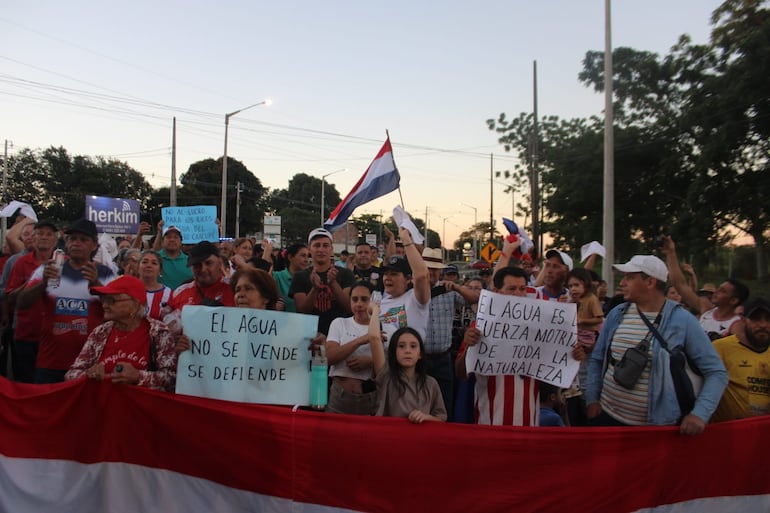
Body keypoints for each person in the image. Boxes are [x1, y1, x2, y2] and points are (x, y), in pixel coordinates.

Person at [585, 255, 728, 435]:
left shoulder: (683, 321)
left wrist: (699, 414)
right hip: (607, 418)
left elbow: (716, 372)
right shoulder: (617, 314)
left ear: (650, 282)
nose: (622, 283)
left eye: (629, 277)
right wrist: (592, 399)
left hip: (656, 429)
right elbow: (597, 359)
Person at [17, 218, 116, 383]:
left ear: (94, 245)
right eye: (72, 239)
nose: (76, 243)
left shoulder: (105, 273)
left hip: (90, 363)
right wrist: (43, 284)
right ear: (66, 242)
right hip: (50, 362)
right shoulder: (49, 268)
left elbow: (118, 307)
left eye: (83, 240)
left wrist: (96, 285)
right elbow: (22, 303)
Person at [455, 266, 540, 426]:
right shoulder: (479, 326)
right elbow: (461, 374)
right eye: (511, 289)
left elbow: (553, 372)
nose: (518, 294)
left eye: (522, 289)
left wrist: (572, 355)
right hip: (489, 422)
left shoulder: (538, 328)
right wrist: (468, 347)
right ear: (497, 291)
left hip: (529, 423)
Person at [65, 275, 177, 391]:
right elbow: (71, 374)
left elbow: (171, 378)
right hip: (103, 405)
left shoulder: (158, 332)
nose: (104, 305)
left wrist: (138, 377)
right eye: (103, 300)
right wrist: (88, 375)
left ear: (135, 304)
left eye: (111, 300)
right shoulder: (100, 333)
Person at [422, 247, 480, 421]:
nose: (431, 272)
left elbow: (475, 299)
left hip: (443, 358)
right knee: (421, 403)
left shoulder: (448, 291)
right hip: (420, 358)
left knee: (445, 405)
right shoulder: (412, 291)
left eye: (435, 269)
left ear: (441, 271)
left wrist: (456, 287)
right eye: (428, 268)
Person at [369, 301, 447, 423]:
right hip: (390, 437)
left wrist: (426, 417)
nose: (407, 351)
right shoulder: (386, 377)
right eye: (401, 346)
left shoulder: (431, 383)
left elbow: (441, 418)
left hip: (420, 439)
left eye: (413, 346)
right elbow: (374, 338)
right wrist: (375, 310)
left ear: (420, 353)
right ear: (393, 352)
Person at [4, 220, 58, 382]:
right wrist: (33, 282)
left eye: (49, 234)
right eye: (40, 233)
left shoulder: (64, 262)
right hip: (26, 334)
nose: (44, 237)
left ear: (55, 240)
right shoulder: (20, 263)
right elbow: (10, 297)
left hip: (54, 337)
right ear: (33, 238)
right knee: (25, 381)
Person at [711, 297, 770, 422]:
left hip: (763, 433)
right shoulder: (721, 348)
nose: (763, 325)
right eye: (756, 319)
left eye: (768, 319)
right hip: (727, 431)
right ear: (743, 320)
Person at [325, 281, 378, 415]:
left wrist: (371, 361)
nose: (359, 304)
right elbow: (328, 357)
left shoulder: (387, 329)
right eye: (354, 299)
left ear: (374, 301)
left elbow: (394, 366)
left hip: (371, 398)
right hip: (339, 397)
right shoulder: (339, 323)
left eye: (364, 299)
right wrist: (361, 340)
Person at [290, 228, 354, 336]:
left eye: (325, 245)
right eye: (317, 245)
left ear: (331, 249)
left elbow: (349, 307)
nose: (321, 249)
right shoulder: (300, 276)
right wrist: (315, 289)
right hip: (310, 335)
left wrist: (333, 283)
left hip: (340, 335)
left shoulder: (345, 274)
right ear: (309, 249)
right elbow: (301, 310)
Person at [167, 241, 235, 315]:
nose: (203, 269)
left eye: (208, 263)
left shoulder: (234, 289)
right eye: (197, 265)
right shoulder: (180, 293)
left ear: (219, 263)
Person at [153, 222, 193, 290]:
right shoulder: (155, 260)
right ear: (162, 241)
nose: (172, 240)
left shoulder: (190, 261)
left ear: (181, 242)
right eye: (168, 237)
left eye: (176, 237)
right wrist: (159, 232)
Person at [138, 250, 173, 321]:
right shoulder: (128, 290)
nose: (149, 265)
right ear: (138, 267)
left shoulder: (169, 294)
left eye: (154, 263)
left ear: (160, 270)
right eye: (145, 262)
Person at [273, 243, 309, 313]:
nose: (306, 260)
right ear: (290, 257)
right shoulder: (277, 277)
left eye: (308, 256)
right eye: (303, 256)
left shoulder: (310, 279)